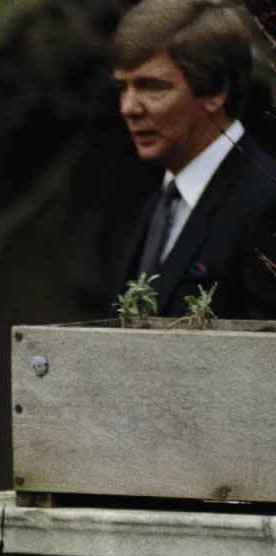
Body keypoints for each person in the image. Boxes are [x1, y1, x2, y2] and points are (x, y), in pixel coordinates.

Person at [111, 0, 276, 318]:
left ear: (216, 92)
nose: (128, 107)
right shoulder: (162, 204)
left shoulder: (267, 202)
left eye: (151, 86)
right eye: (122, 87)